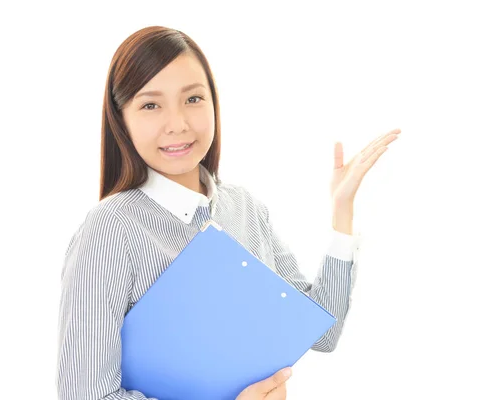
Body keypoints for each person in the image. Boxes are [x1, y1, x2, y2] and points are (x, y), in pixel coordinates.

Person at [56, 25, 401, 400]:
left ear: (214, 103)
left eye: (193, 99)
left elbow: (322, 333)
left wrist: (342, 213)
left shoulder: (245, 208)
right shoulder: (111, 228)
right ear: (121, 119)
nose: (179, 124)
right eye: (151, 104)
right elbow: (84, 394)